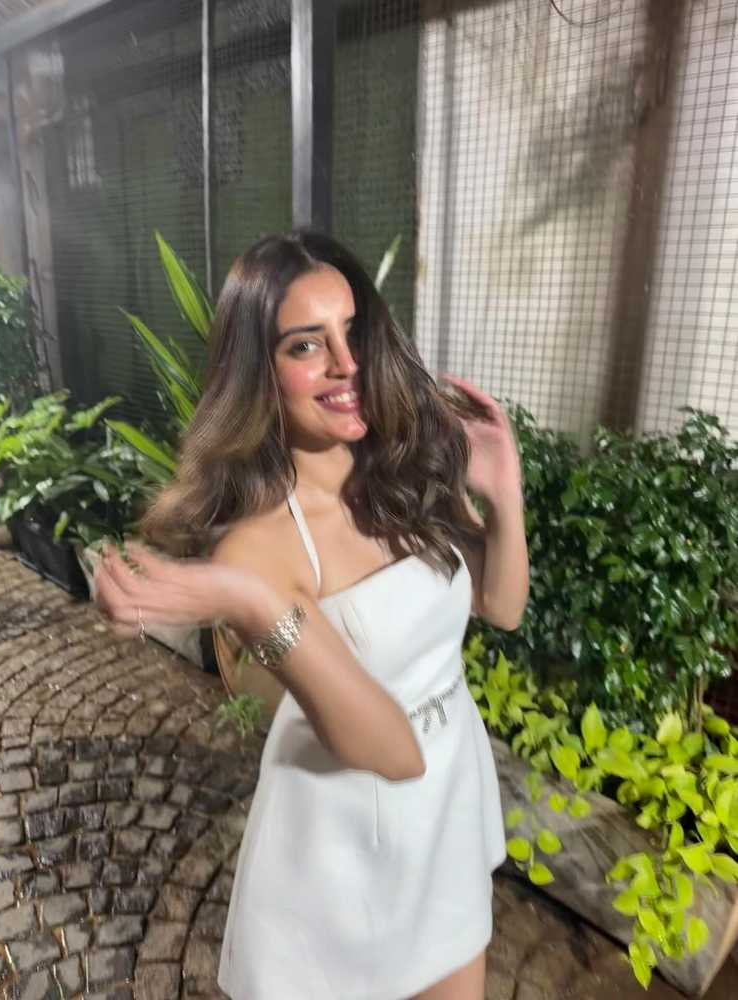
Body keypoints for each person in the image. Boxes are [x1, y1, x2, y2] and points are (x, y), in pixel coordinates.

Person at [95, 231, 529, 1000]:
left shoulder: (400, 469)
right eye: (306, 345)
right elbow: (388, 748)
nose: (346, 362)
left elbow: (500, 607)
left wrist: (504, 493)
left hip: (448, 794)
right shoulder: (259, 547)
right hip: (344, 840)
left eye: (352, 331)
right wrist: (252, 601)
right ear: (259, 373)